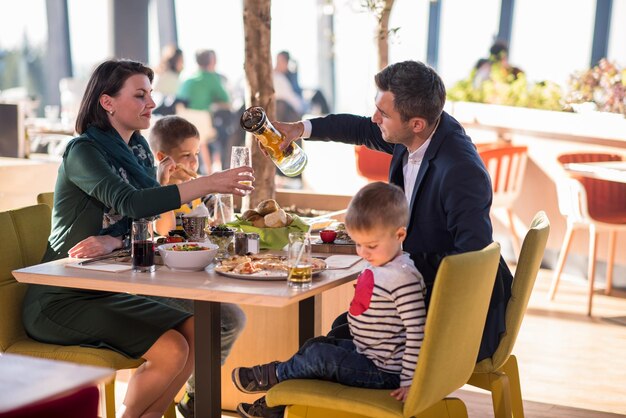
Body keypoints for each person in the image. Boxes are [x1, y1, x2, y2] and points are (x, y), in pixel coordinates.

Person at [21, 59, 254, 418]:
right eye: (140, 94)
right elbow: (130, 203)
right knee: (174, 350)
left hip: (108, 287)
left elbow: (143, 220)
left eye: (151, 93)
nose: (152, 103)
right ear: (107, 102)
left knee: (199, 331)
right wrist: (209, 181)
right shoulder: (83, 151)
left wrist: (115, 242)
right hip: (62, 299)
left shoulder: (140, 149)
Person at [273, 60, 513, 363]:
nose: (375, 118)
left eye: (383, 114)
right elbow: (359, 128)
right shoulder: (418, 131)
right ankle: (291, 402)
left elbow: (472, 262)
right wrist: (300, 129)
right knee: (340, 330)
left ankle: (287, 400)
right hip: (414, 291)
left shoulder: (460, 171)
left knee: (339, 339)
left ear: (416, 123)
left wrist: (396, 267)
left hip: (453, 315)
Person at [232, 182, 427, 418]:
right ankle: (275, 405)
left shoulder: (403, 277)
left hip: (385, 372)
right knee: (314, 345)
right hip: (367, 354)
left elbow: (417, 331)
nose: (363, 253)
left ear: (399, 235)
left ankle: (272, 375)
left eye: (371, 246)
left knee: (319, 358)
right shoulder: (383, 262)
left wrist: (409, 380)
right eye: (358, 244)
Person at [148, 115, 247, 418]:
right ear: (164, 160)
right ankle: (197, 398)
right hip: (158, 285)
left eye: (196, 153)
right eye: (186, 156)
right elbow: (163, 230)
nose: (194, 162)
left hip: (191, 278)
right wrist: (163, 185)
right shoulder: (159, 192)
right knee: (227, 319)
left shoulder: (194, 194)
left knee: (232, 317)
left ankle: (195, 396)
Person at [177, 49, 232, 172]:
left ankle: (189, 171)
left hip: (183, 119)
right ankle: (209, 172)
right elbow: (226, 100)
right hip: (201, 120)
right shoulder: (211, 77)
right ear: (212, 61)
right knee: (206, 142)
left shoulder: (188, 79)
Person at [153, 44, 184, 115]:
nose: (183, 63)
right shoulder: (172, 78)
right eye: (181, 60)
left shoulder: (160, 75)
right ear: (175, 61)